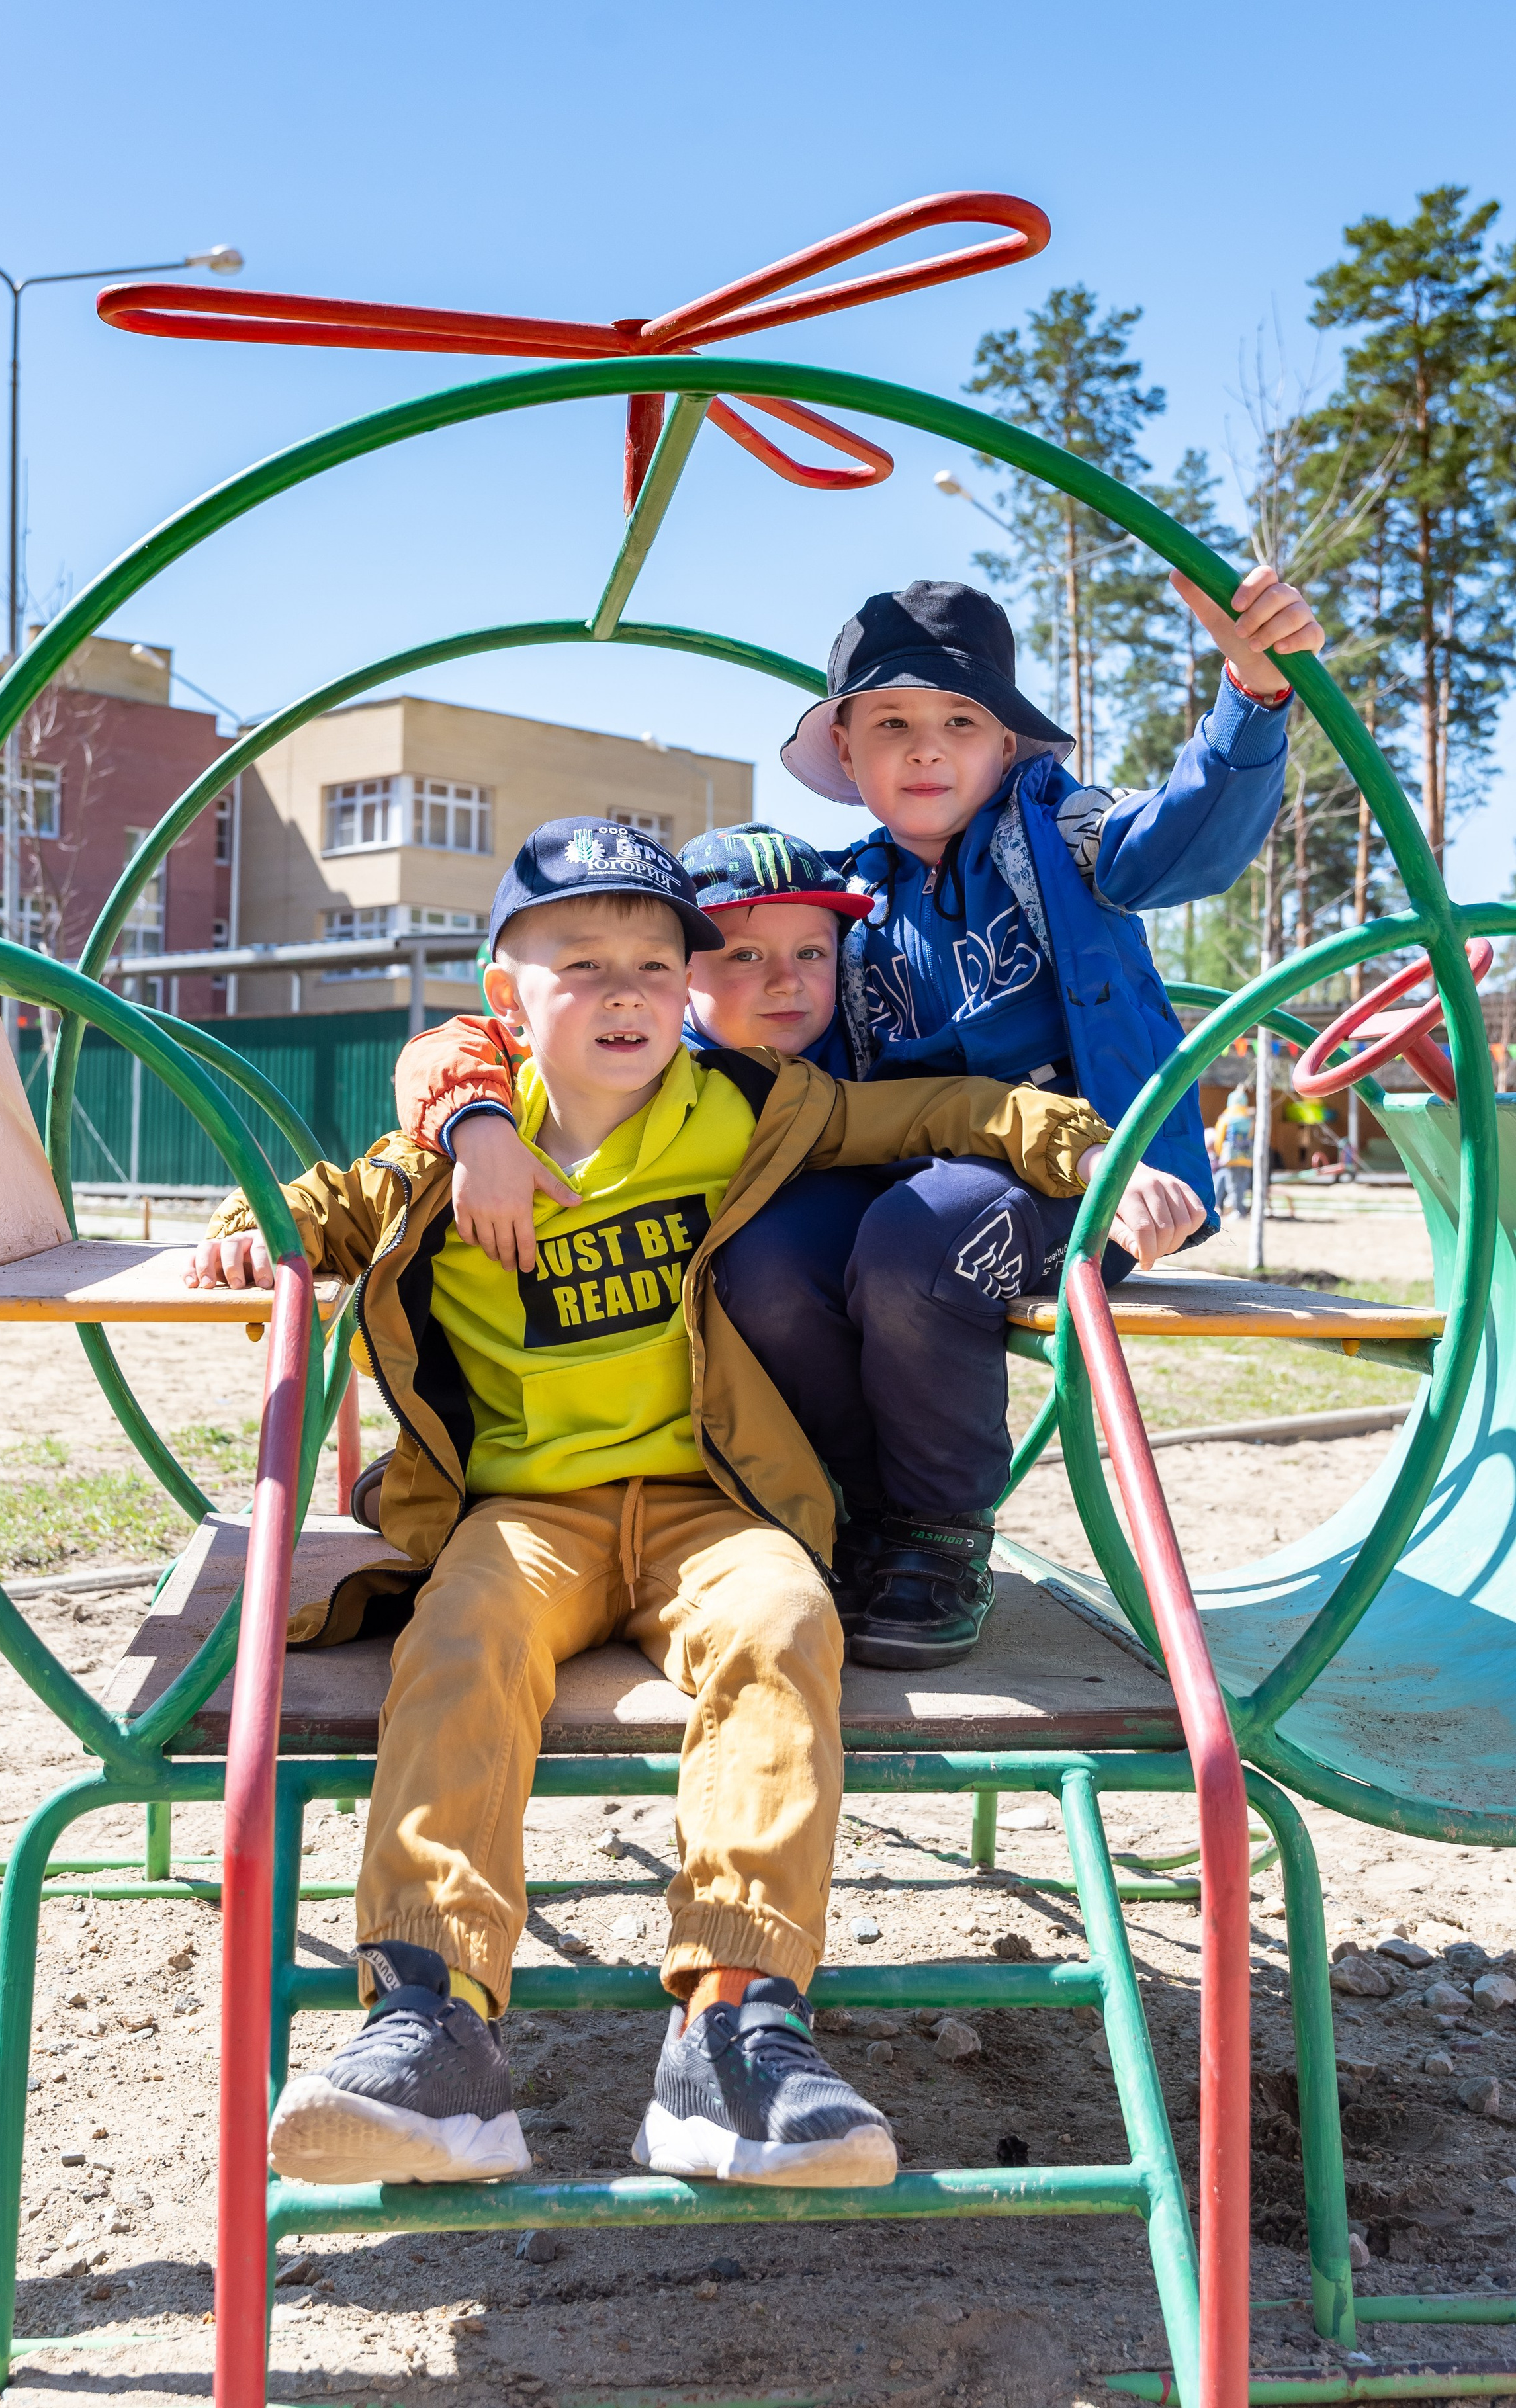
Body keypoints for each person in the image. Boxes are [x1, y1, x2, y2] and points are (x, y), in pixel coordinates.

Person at [185, 817, 1118, 2191]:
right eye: (580, 964)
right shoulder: (446, 1152)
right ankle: (427, 2017)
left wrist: (1074, 1142)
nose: (621, 992)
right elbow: (309, 1208)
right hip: (527, 1511)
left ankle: (735, 2030)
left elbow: (929, 1111)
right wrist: (238, 1230)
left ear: (686, 986)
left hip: (703, 1501)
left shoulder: (743, 1112)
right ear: (507, 999)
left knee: (788, 1618)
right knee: (460, 1639)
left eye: (648, 962)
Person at [386, 561, 1317, 1666]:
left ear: (1006, 746)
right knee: (760, 1260)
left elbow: (1185, 841)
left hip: (1090, 1181)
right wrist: (480, 1113)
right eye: (892, 724)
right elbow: (648, 1018)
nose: (927, 747)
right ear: (848, 755)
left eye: (959, 721)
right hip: (907, 1179)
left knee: (914, 1243)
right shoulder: (847, 898)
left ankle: (936, 1529)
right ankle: (862, 1511)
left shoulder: (1065, 838)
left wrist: (1250, 699)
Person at [1211, 1084, 1255, 1217]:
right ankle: (1240, 1209)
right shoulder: (1249, 1118)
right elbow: (1251, 1136)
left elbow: (1219, 1139)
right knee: (1242, 1184)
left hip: (1231, 1156)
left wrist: (1220, 1153)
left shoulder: (1226, 1118)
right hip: (1247, 1156)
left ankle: (1237, 1211)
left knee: (1233, 1184)